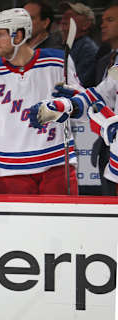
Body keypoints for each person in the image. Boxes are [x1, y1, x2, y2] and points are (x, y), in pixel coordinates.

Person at [0, 8, 81, 195]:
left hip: (56, 164)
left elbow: (85, 103)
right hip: (10, 169)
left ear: (19, 35)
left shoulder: (57, 62)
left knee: (63, 224)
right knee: (18, 226)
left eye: (0, 34)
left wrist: (73, 102)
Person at [90, 3, 118, 195]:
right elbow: (99, 95)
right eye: (102, 21)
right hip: (105, 146)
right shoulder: (103, 60)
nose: (103, 25)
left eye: (110, 20)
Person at [59, 2, 98, 88]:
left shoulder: (87, 49)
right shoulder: (66, 47)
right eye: (63, 15)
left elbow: (77, 85)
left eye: (70, 15)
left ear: (86, 24)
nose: (63, 18)